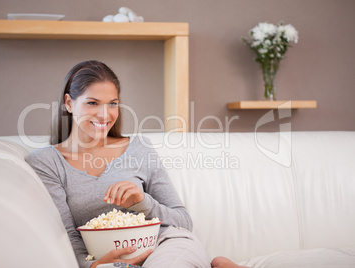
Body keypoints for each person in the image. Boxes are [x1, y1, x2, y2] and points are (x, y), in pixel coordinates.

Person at [26, 60, 247, 268]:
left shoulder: (139, 148)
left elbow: (183, 221)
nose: (105, 115)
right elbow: (67, 235)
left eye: (112, 104)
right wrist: (93, 264)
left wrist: (142, 202)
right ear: (69, 103)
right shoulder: (47, 162)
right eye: (92, 103)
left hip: (165, 246)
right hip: (107, 259)